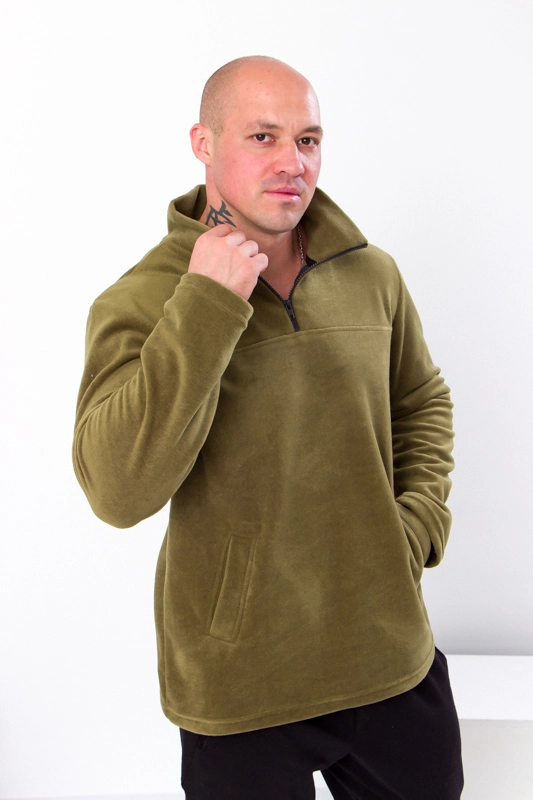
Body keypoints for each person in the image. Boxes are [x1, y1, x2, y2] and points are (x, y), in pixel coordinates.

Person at [73, 56, 464, 799]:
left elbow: (420, 400)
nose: (293, 162)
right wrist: (206, 302)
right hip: (237, 685)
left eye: (308, 139)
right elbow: (117, 493)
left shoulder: (371, 274)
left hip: (387, 657)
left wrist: (412, 530)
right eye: (263, 136)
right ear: (203, 142)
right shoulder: (140, 301)